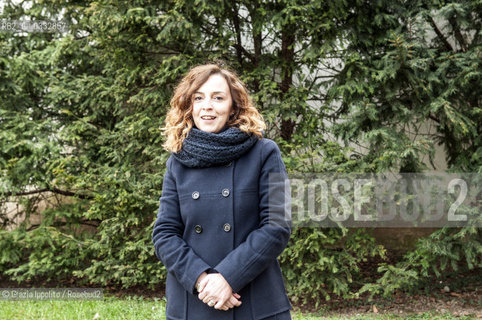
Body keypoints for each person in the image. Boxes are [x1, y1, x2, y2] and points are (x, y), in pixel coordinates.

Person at [152, 63, 292, 320]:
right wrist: (202, 278)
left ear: (233, 106)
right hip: (194, 302)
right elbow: (164, 233)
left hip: (253, 302)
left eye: (218, 98)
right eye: (199, 98)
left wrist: (228, 277)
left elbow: (276, 226)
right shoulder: (177, 160)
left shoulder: (264, 152)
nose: (207, 105)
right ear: (189, 106)